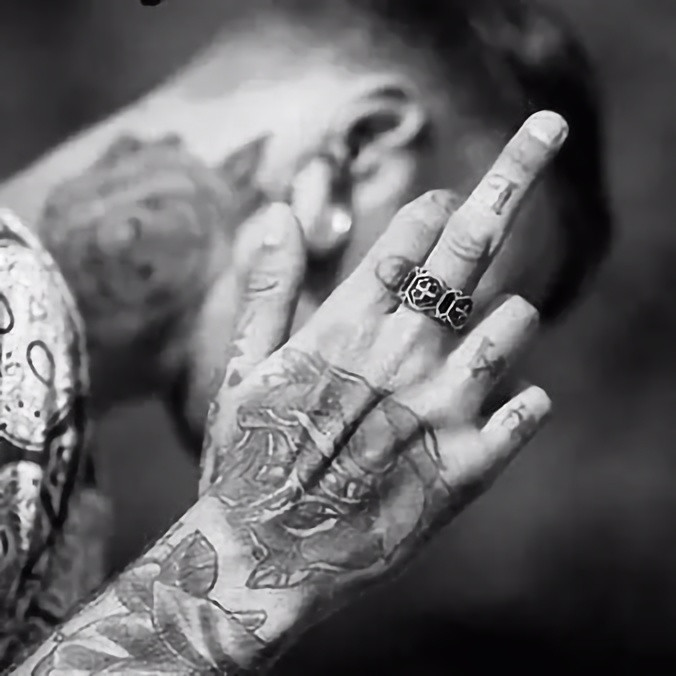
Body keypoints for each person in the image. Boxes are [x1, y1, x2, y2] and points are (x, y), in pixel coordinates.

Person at [0, 0, 612, 671]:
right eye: (447, 308)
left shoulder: (63, 486)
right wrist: (241, 561)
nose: (438, 386)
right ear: (360, 156)